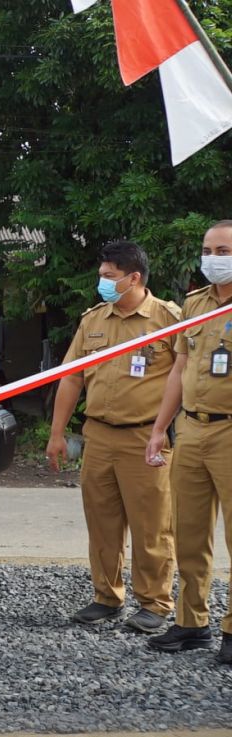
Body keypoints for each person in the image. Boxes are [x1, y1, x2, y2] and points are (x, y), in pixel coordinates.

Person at [47, 241, 178, 633]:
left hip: (145, 437)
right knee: (102, 522)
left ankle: (155, 602)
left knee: (150, 525)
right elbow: (72, 377)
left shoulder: (168, 319)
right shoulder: (93, 320)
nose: (101, 283)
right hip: (98, 436)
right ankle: (107, 596)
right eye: (101, 275)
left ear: (133, 278)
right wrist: (57, 433)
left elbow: (183, 377)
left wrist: (164, 431)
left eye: (108, 277)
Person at [145, 220, 232, 666]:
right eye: (208, 249)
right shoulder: (196, 304)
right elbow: (179, 370)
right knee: (189, 533)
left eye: (223, 250)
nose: (214, 257)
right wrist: (161, 428)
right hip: (192, 429)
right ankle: (192, 622)